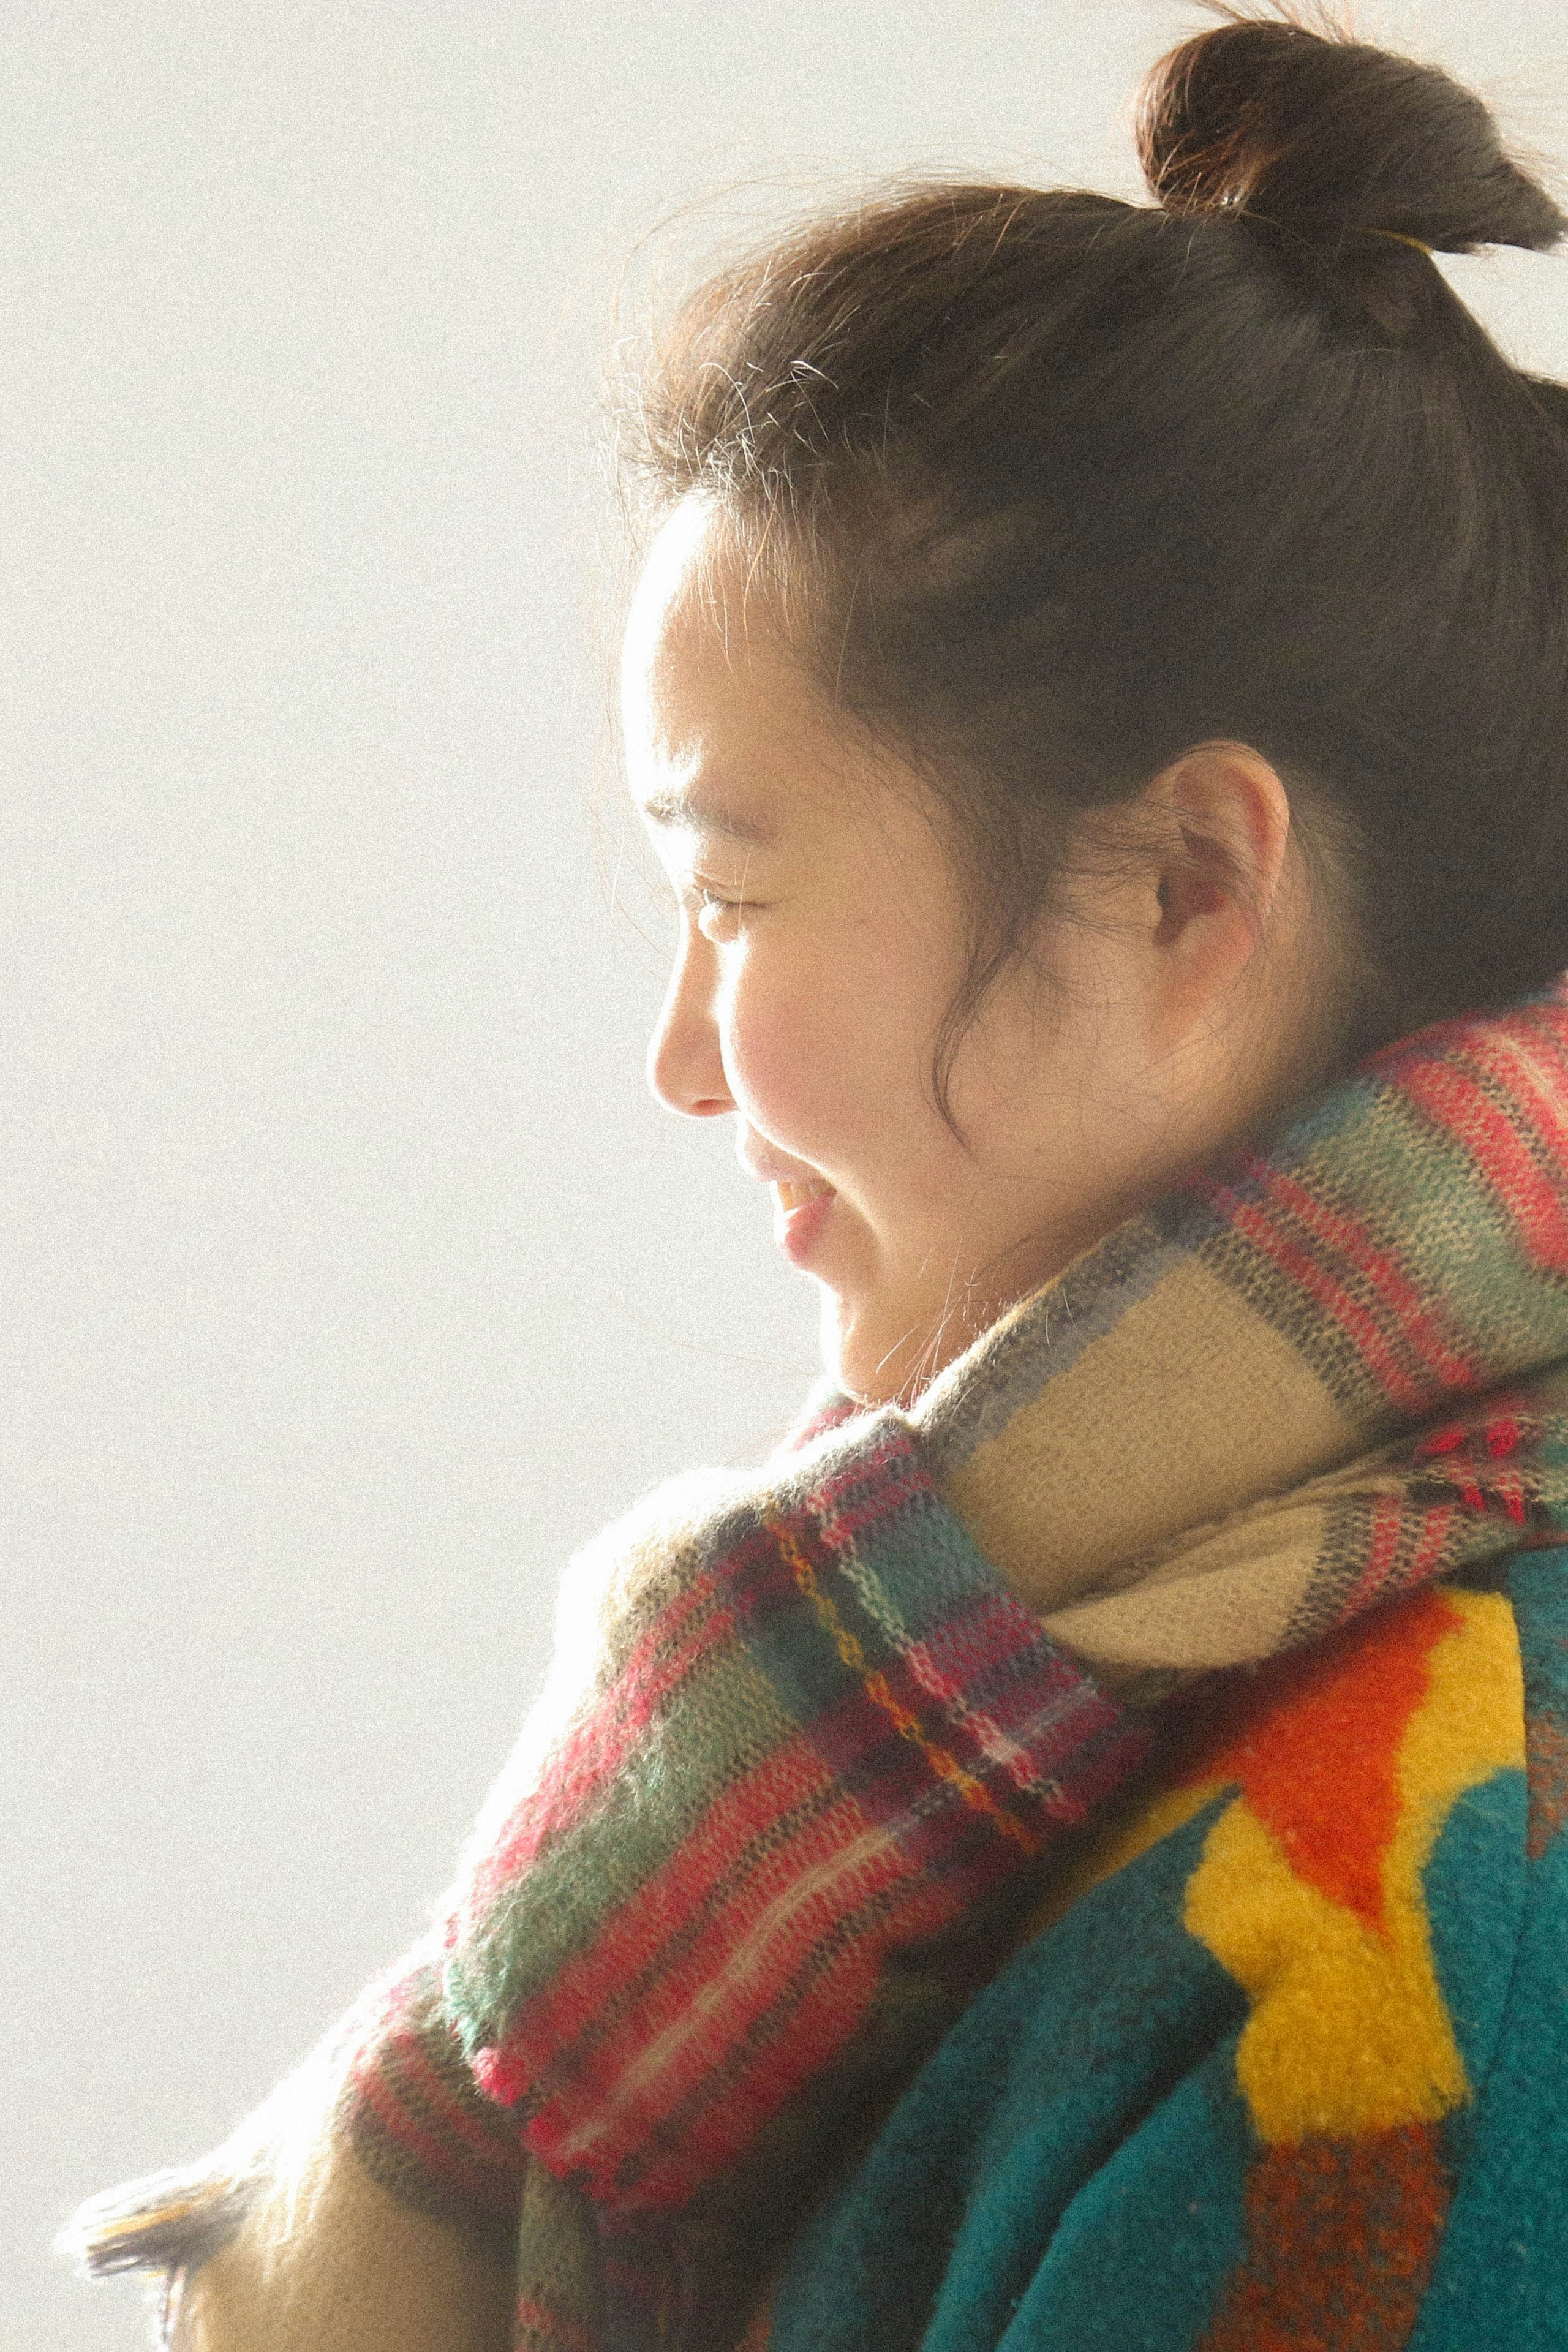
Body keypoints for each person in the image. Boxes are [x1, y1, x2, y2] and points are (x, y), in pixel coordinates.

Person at [66, 6, 1568, 2346]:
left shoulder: (1430, 1926)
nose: (680, 1060)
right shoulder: (984, 1705)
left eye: (735, 899)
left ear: (1185, 884)